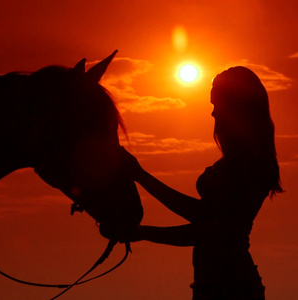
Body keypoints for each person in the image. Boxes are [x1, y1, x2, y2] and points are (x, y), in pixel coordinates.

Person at [120, 66, 283, 300]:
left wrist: (143, 230)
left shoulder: (251, 163)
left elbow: (208, 230)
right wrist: (139, 176)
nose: (213, 114)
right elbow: (203, 216)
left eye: (216, 105)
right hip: (215, 286)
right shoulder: (242, 160)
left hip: (231, 289)